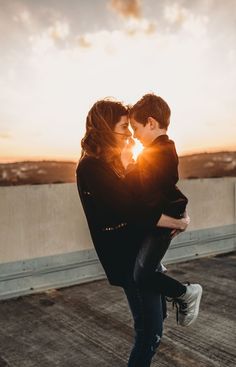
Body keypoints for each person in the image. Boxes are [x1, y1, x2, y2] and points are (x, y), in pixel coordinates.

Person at [76, 99, 190, 367]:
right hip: (126, 258)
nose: (128, 133)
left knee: (156, 317)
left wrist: (180, 213)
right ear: (105, 128)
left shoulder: (113, 162)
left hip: (138, 249)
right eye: (123, 127)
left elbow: (151, 193)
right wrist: (176, 223)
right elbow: (131, 209)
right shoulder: (91, 168)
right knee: (149, 332)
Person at [126, 93, 203, 327]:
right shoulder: (160, 150)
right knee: (145, 268)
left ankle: (186, 292)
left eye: (136, 128)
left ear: (151, 123)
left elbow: (144, 198)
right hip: (164, 217)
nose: (134, 135)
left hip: (163, 219)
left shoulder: (159, 153)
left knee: (142, 274)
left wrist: (128, 164)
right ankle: (162, 307)